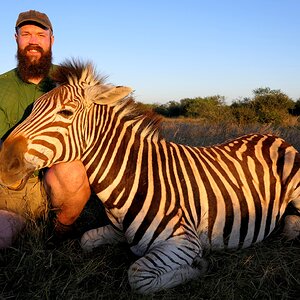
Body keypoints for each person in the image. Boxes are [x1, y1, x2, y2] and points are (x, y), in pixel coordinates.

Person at [0, 10, 106, 249]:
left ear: (51, 39)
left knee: (73, 170)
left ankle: (60, 233)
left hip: (53, 178)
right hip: (11, 183)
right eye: (26, 34)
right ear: (15, 38)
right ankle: (24, 222)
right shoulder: (1, 85)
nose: (33, 40)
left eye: (40, 34)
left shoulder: (70, 83)